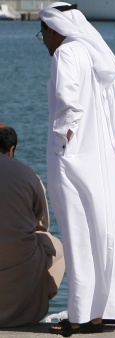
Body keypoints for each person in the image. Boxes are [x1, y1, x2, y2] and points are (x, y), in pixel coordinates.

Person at [39, 2, 115, 335]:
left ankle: (80, 316)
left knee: (78, 237)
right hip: (104, 160)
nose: (44, 41)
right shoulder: (99, 55)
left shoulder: (66, 54)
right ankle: (106, 311)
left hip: (73, 159)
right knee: (105, 233)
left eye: (43, 33)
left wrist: (60, 146)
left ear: (54, 29)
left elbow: (69, 104)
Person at [0, 123, 65, 328]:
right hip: (17, 266)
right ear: (11, 150)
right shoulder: (27, 175)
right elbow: (41, 225)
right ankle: (29, 302)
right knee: (54, 245)